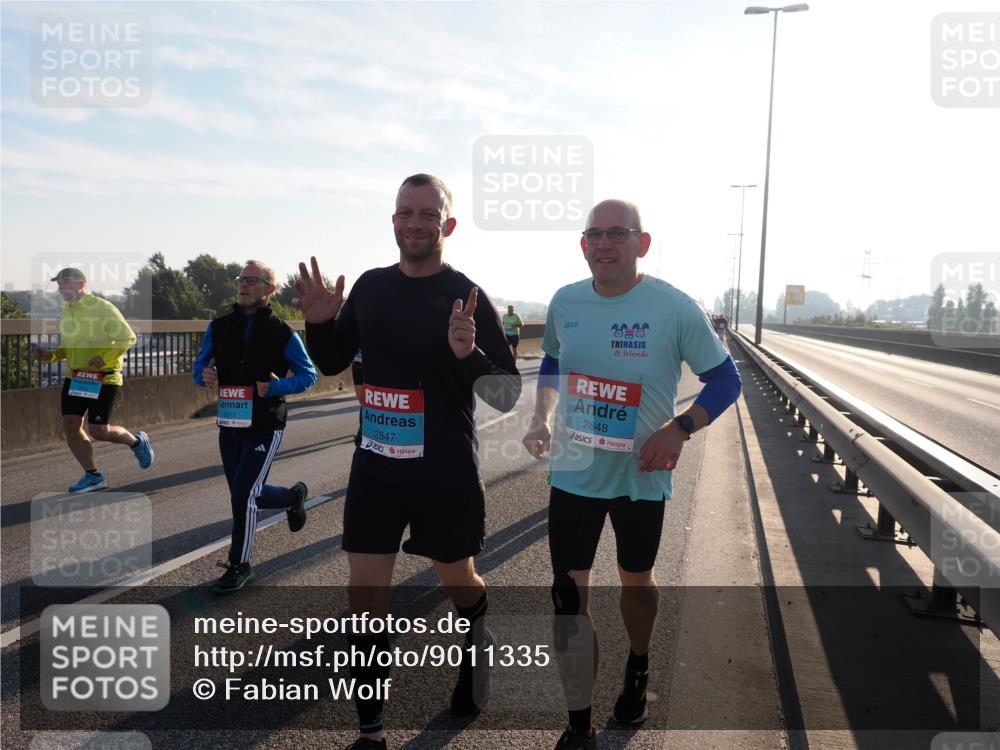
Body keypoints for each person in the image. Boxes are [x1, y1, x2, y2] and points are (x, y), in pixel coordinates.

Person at [294, 174, 521, 750]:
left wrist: (468, 355)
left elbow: (506, 393)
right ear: (393, 220)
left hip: (444, 470)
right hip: (375, 467)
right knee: (366, 598)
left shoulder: (466, 296)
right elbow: (331, 362)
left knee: (457, 579)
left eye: (428, 214)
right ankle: (371, 731)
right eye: (405, 212)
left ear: (447, 225)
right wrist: (319, 322)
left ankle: (476, 635)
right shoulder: (370, 287)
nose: (415, 223)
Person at [522, 200, 742, 749]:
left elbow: (725, 380)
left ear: (641, 243)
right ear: (583, 244)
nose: (604, 244)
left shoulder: (674, 307)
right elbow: (551, 360)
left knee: (635, 582)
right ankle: (579, 722)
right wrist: (540, 417)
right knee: (568, 598)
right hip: (573, 473)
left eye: (617, 233)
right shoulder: (565, 301)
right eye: (594, 234)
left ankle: (638, 664)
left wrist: (679, 429)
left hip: (642, 476)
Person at [193, 260, 318, 593]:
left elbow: (308, 375)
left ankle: (240, 564)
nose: (243, 285)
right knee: (245, 492)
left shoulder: (282, 332)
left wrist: (276, 387)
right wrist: (205, 375)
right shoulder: (218, 327)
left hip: (265, 423)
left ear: (270, 289)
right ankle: (293, 497)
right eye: (241, 279)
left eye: (252, 280)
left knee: (243, 494)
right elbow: (200, 366)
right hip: (230, 423)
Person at [32, 267, 153, 493]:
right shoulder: (67, 312)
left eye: (66, 283)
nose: (61, 288)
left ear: (81, 283)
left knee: (98, 430)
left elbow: (128, 337)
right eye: (59, 284)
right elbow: (68, 348)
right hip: (76, 377)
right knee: (70, 425)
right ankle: (93, 475)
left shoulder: (103, 308)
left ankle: (136, 442)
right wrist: (50, 355)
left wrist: (105, 357)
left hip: (104, 377)